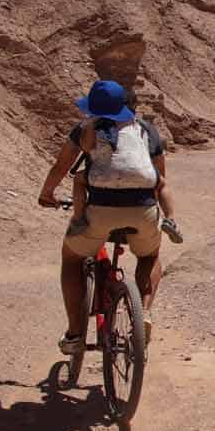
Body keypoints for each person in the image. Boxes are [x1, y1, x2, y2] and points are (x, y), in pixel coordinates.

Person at [37, 80, 170, 353]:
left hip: (99, 211)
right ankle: (142, 312)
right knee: (150, 256)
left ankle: (75, 336)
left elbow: (62, 166)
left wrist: (47, 194)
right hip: (142, 209)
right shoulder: (147, 131)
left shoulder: (86, 129)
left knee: (72, 259)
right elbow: (159, 178)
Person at [69, 87, 183, 245]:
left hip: (102, 185)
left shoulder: (94, 124)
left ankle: (78, 219)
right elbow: (159, 164)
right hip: (142, 184)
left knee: (79, 179)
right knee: (162, 182)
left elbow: (85, 148)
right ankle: (170, 219)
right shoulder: (143, 127)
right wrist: (152, 194)